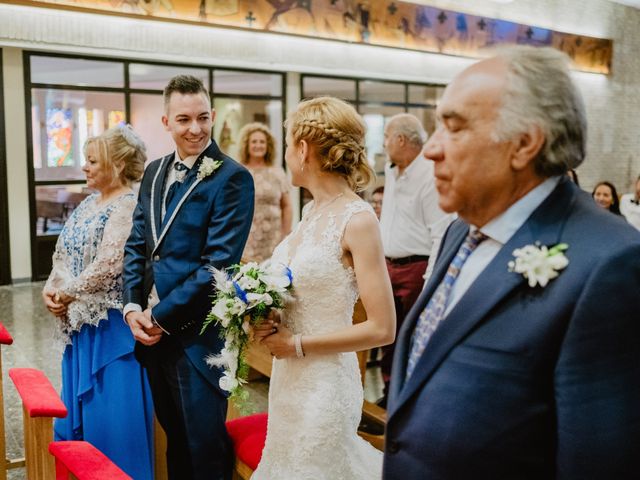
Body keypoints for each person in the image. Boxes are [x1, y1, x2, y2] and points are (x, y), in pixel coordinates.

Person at [383, 46, 640, 479]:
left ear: (523, 144)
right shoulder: (458, 232)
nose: (431, 151)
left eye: (454, 127)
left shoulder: (609, 264)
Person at [251, 96, 396, 479]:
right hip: (289, 381)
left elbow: (383, 327)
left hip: (325, 386)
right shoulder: (311, 212)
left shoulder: (358, 219)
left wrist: (295, 345)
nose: (285, 155)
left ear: (302, 148)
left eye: (286, 145)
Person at [122, 75, 254, 480]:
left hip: (198, 337)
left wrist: (159, 317)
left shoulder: (232, 178)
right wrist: (131, 308)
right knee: (175, 442)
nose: (195, 128)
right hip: (151, 333)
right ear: (166, 123)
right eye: (183, 119)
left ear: (212, 116)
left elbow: (217, 265)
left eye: (202, 118)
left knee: (204, 450)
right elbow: (138, 245)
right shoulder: (154, 172)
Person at [42, 125, 153, 480]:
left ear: (118, 165)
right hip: (80, 328)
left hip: (110, 331)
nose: (85, 168)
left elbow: (110, 264)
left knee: (113, 423)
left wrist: (68, 293)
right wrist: (53, 287)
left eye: (92, 161)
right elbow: (63, 254)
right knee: (83, 422)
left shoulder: (128, 205)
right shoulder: (89, 202)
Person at [378, 113, 453, 407]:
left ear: (400, 139)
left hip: (416, 267)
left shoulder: (429, 175)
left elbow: (441, 231)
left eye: (386, 137)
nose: (384, 144)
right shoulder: (393, 171)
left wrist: (430, 278)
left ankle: (407, 397)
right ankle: (388, 394)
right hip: (388, 265)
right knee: (387, 335)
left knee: (410, 336)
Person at [238, 122, 292, 263]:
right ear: (246, 145)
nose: (258, 145)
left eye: (262, 142)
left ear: (268, 146)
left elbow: (286, 206)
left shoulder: (277, 172)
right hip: (245, 239)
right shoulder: (238, 172)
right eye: (254, 141)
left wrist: (285, 236)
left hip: (273, 239)